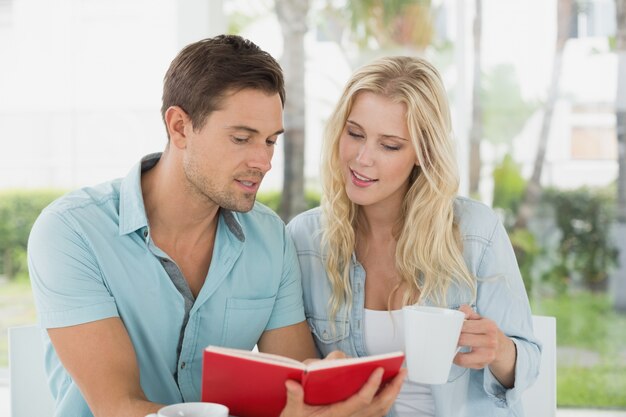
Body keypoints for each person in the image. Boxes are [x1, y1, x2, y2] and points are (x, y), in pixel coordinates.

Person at [27, 34, 405, 417]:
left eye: (271, 141)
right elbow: (120, 407)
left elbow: (297, 379)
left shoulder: (270, 239)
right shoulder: (72, 233)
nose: (263, 161)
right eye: (242, 139)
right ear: (180, 127)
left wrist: (330, 386)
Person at [286, 56, 541, 417]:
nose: (362, 158)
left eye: (389, 145)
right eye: (355, 133)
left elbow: (528, 360)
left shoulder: (476, 233)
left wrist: (499, 350)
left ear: (423, 153)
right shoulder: (305, 239)